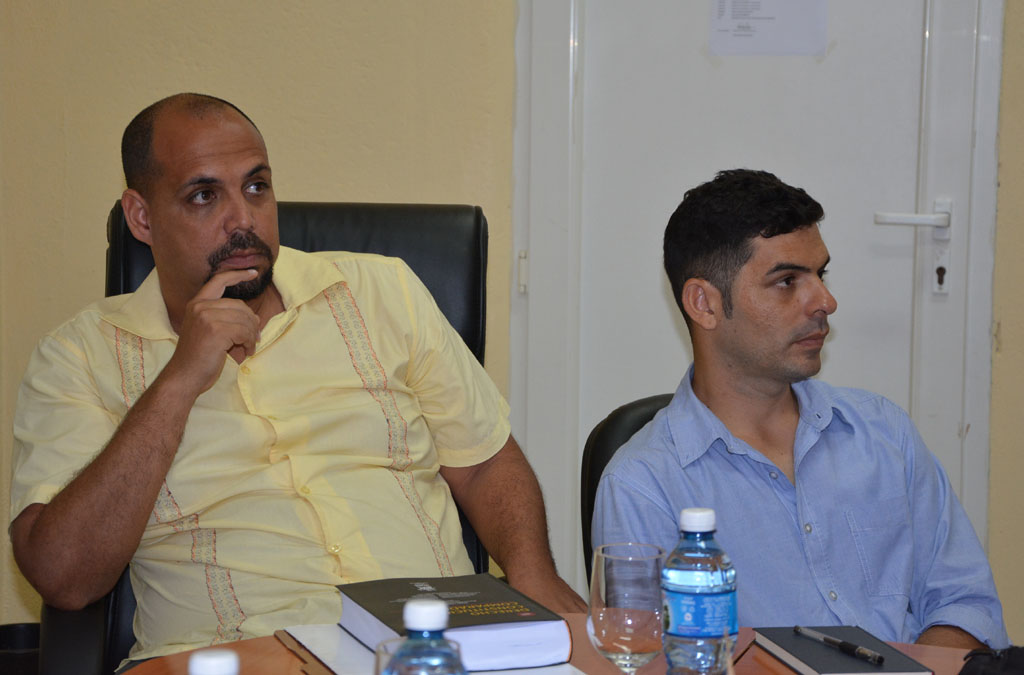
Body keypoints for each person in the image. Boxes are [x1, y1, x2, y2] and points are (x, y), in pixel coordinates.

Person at [9, 93, 585, 665]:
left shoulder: (383, 292)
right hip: (235, 655)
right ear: (142, 216)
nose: (243, 219)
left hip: (432, 645)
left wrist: (535, 577)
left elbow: (484, 461)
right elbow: (64, 576)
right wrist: (180, 380)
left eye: (256, 186)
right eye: (205, 195)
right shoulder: (79, 355)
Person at [593, 169, 1008, 649]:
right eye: (787, 281)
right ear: (703, 304)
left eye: (821, 274)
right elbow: (646, 658)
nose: (825, 302)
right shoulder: (643, 485)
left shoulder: (883, 432)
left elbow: (966, 604)